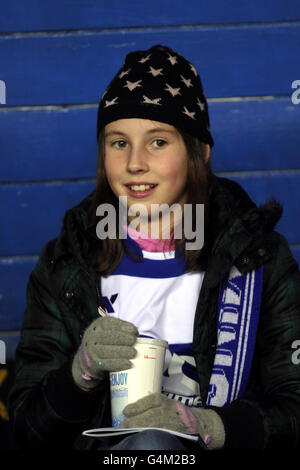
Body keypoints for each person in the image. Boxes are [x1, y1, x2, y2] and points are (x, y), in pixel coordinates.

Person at [8, 44, 300, 451]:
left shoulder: (257, 258)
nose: (135, 163)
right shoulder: (68, 262)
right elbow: (26, 428)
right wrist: (80, 374)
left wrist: (206, 424)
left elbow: (294, 406)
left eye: (158, 142)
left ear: (199, 150)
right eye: (118, 142)